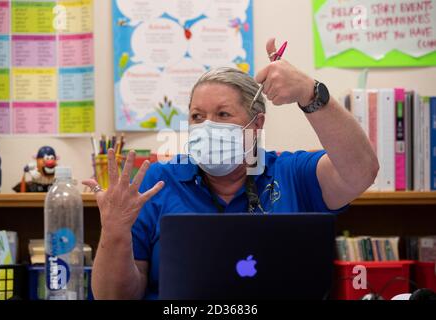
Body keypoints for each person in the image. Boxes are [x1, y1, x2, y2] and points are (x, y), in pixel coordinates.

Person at [83, 39, 379, 300]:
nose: (207, 125)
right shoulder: (156, 183)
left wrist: (309, 92)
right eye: (197, 116)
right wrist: (114, 231)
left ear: (257, 123)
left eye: (223, 114)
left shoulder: (291, 173)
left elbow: (361, 171)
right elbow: (114, 296)